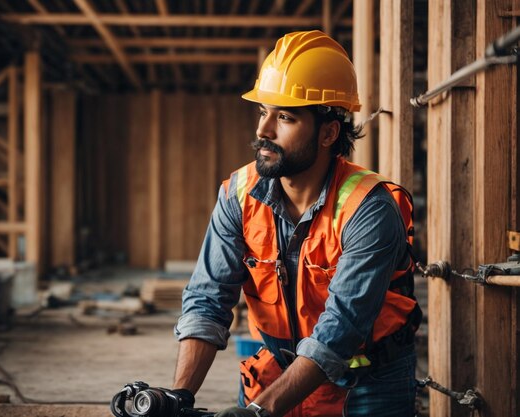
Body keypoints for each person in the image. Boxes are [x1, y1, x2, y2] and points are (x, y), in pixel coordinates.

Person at [172, 30, 421, 417]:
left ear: (328, 133)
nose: (263, 131)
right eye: (262, 112)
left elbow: (340, 330)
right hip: (277, 369)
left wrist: (259, 411)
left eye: (284, 117)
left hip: (368, 384)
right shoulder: (238, 194)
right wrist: (178, 397)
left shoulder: (368, 208)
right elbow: (208, 301)